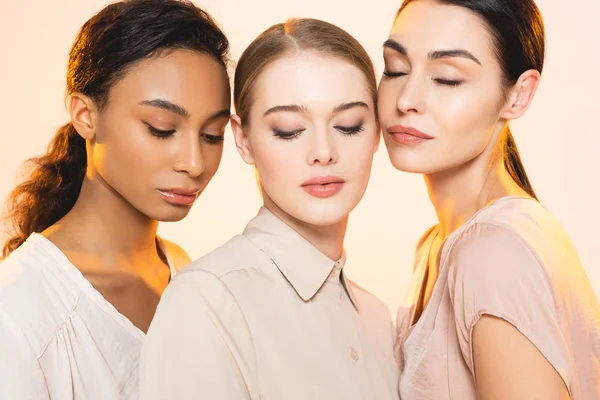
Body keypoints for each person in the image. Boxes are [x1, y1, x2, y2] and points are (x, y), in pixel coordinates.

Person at [140, 17, 400, 400]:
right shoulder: (207, 301)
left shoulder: (377, 318)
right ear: (243, 140)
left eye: (348, 125)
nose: (323, 152)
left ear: (377, 131)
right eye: (289, 130)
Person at [0, 0, 231, 398]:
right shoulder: (17, 313)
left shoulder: (182, 272)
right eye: (161, 129)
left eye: (212, 134)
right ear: (85, 115)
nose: (195, 162)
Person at [377, 0, 600, 398]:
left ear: (518, 95)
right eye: (395, 68)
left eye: (446, 78)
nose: (406, 98)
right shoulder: (438, 245)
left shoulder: (494, 251)